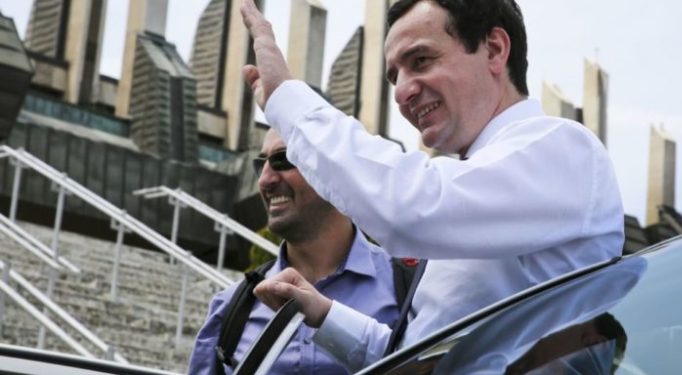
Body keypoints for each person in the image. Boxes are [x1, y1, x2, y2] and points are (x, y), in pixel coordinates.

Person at [240, 0, 624, 371]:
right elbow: (430, 358)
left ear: (493, 49)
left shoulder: (563, 150)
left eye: (420, 61)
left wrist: (288, 102)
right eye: (394, 76)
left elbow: (404, 208)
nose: (402, 91)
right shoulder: (470, 184)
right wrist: (324, 315)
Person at [187, 129, 400, 374]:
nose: (264, 180)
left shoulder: (409, 289)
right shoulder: (230, 307)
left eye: (284, 159)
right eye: (261, 164)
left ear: (340, 171)